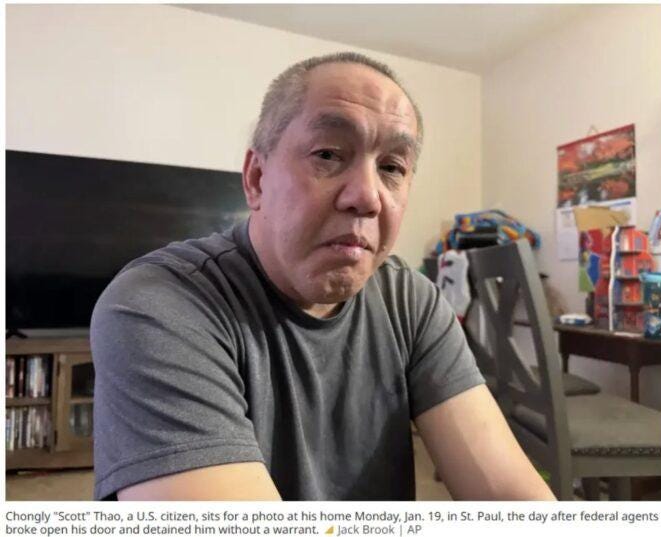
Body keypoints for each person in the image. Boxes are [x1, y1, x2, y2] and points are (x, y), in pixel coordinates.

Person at [91, 52, 555, 501]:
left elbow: (509, 495)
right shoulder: (159, 305)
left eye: (392, 167)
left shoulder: (411, 302)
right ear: (256, 179)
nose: (368, 197)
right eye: (328, 154)